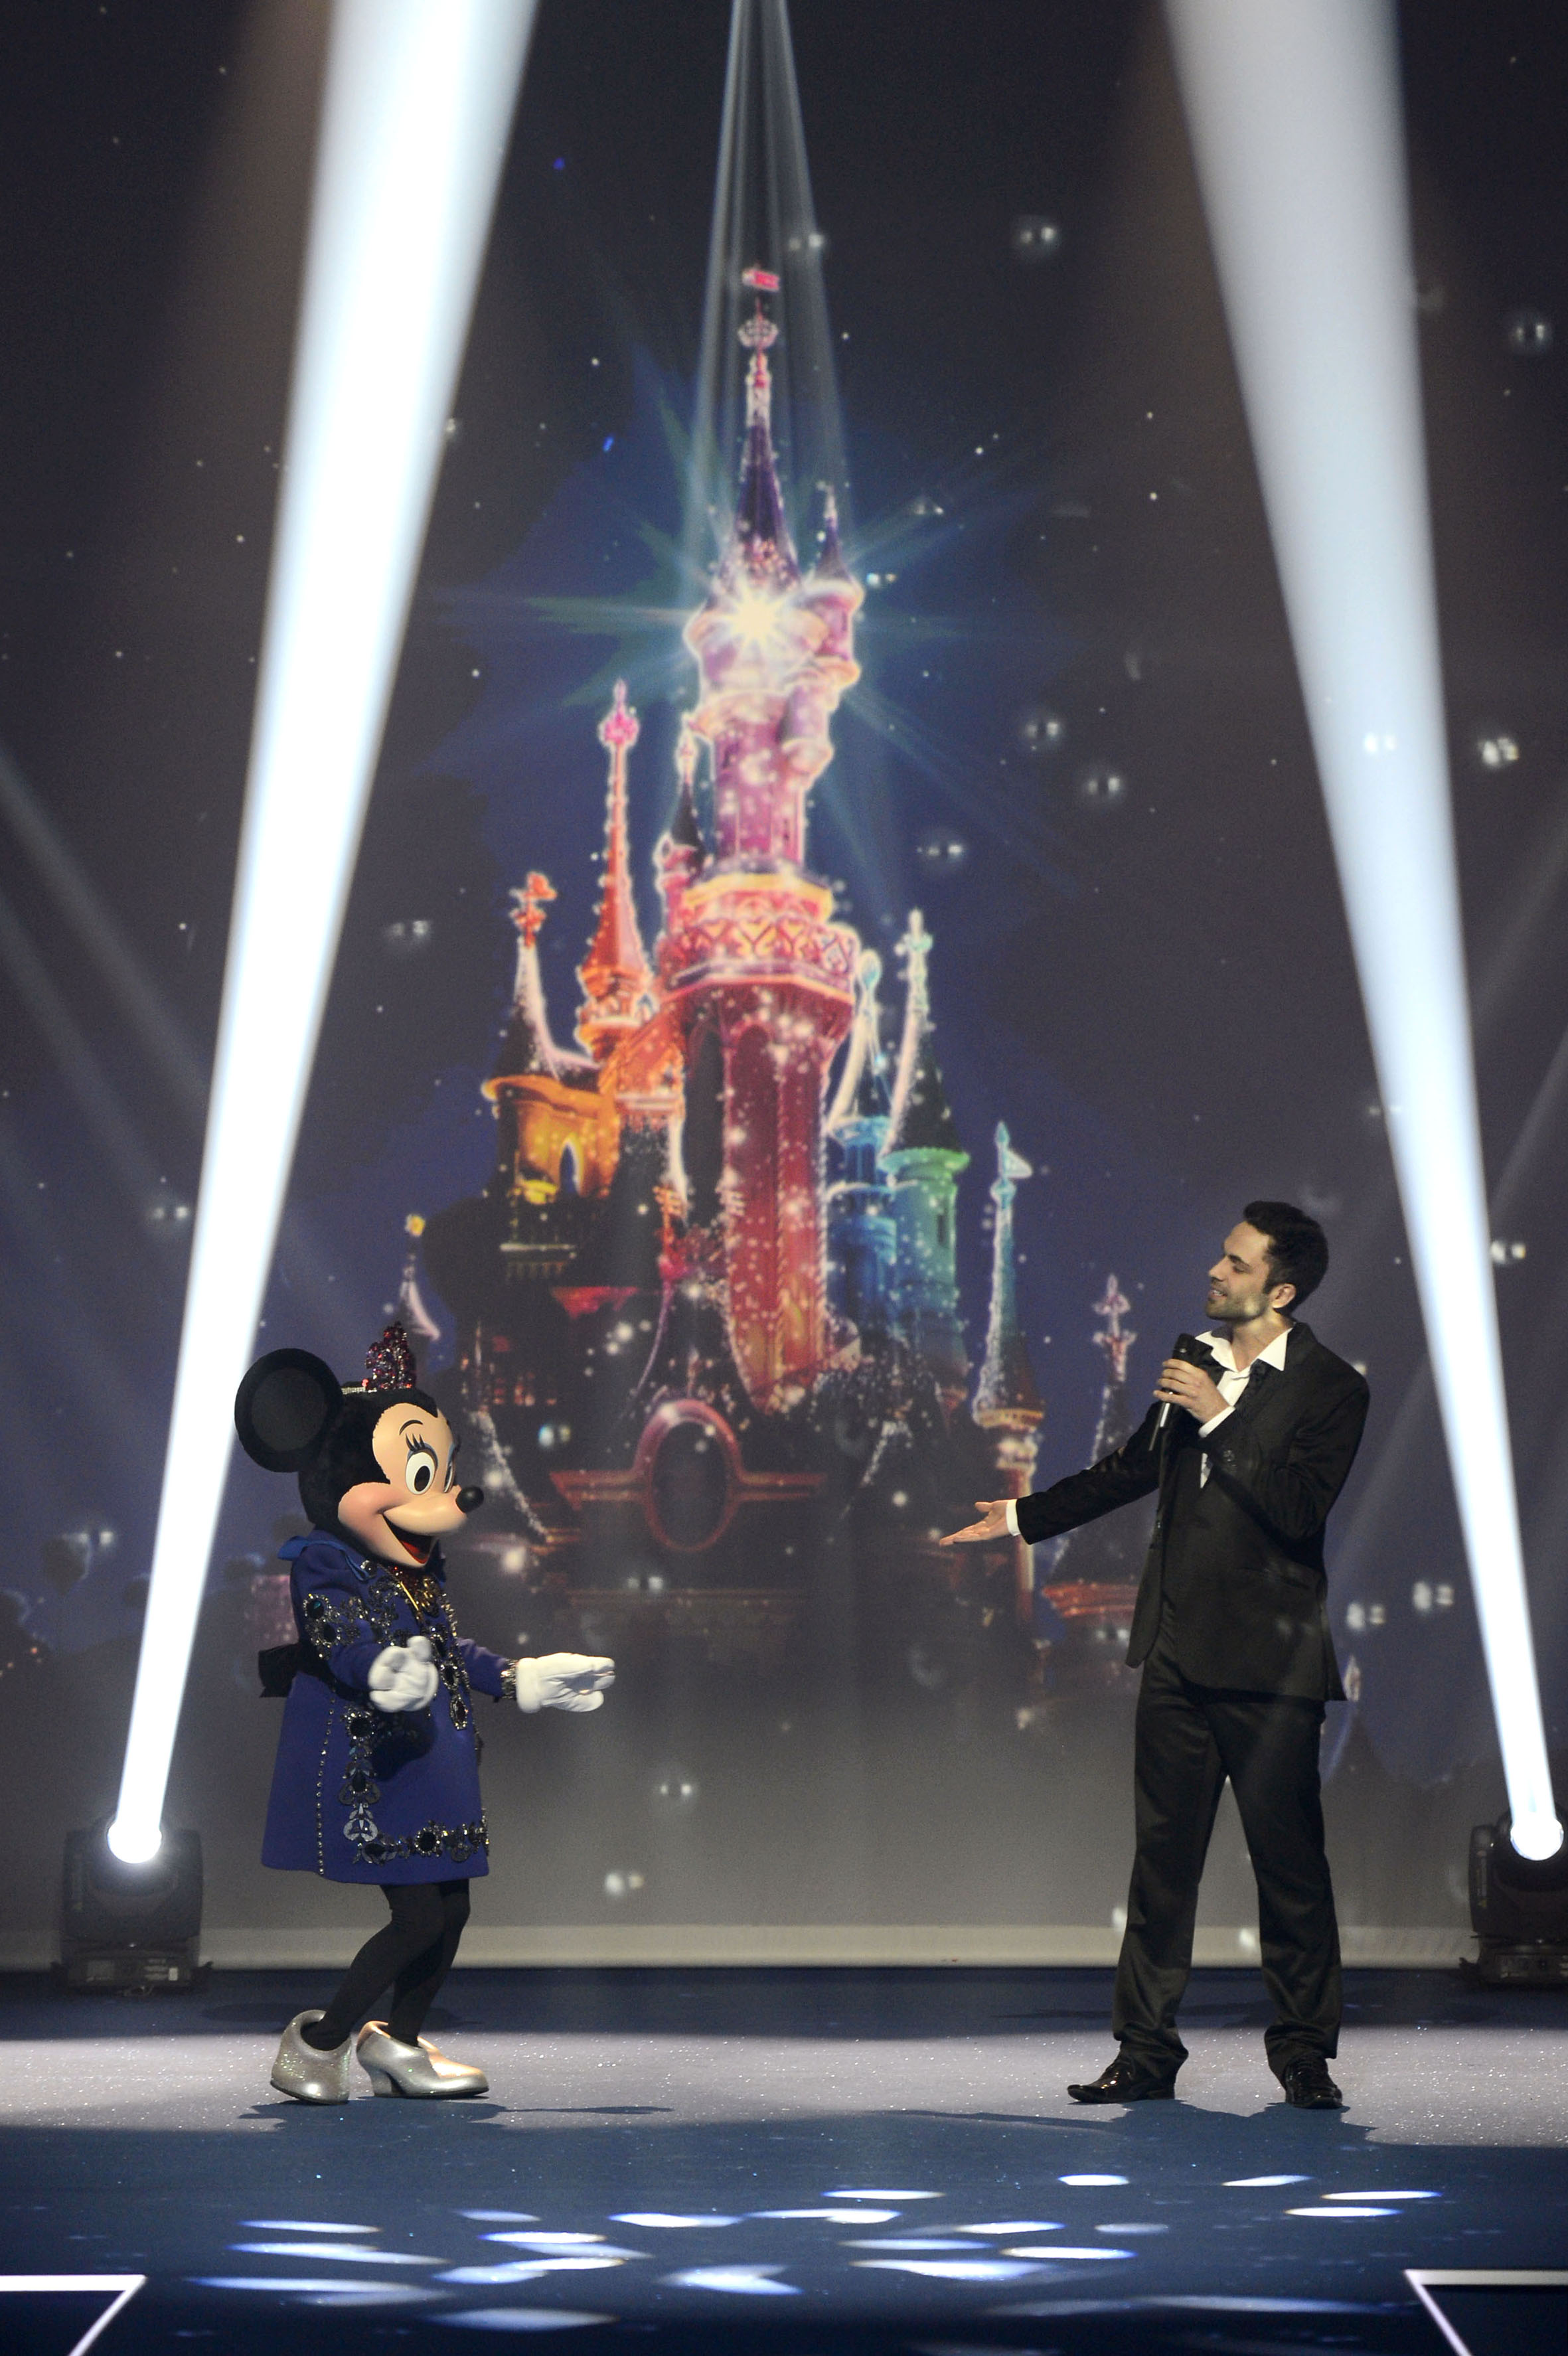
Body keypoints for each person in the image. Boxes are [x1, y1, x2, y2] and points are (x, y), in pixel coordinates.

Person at [943, 1203, 1368, 2110]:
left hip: (1271, 1666)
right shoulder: (1194, 1357)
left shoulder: (1330, 1387)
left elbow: (1298, 1508)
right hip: (1175, 1653)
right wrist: (1022, 1517)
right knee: (1161, 1869)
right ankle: (1144, 2052)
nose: (1215, 1270)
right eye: (1220, 1255)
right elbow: (1134, 1467)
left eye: (1237, 1262)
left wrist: (1220, 1417)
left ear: (1280, 1290)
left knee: (1289, 1868)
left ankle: (1302, 2054)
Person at [234, 1325, 615, 2103]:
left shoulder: (418, 1571)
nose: (442, 1498)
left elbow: (446, 1648)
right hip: (380, 1765)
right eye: (415, 1474)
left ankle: (399, 2046)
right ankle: (319, 2044)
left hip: (436, 1758)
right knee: (416, 1921)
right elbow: (335, 1635)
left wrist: (516, 1676)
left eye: (441, 1474)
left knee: (452, 1911)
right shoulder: (326, 1559)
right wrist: (377, 1669)